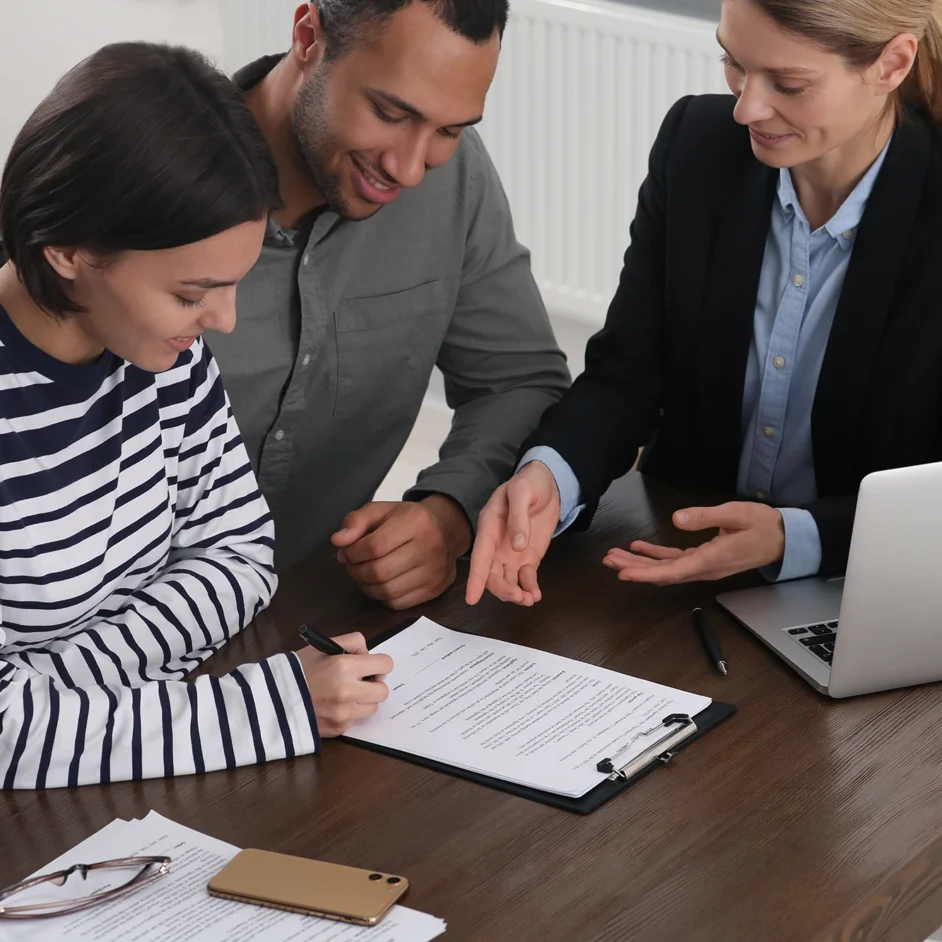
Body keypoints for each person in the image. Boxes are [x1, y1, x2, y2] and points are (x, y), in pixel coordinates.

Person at [0, 43, 391, 790]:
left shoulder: (161, 353)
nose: (224, 320)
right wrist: (272, 706)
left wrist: (49, 690)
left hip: (114, 786)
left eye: (233, 284)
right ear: (68, 251)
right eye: (191, 294)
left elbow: (242, 556)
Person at [466, 0, 942, 606]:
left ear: (893, 64)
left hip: (876, 589)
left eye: (788, 84)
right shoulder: (697, 148)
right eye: (733, 62)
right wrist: (552, 475)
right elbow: (626, 374)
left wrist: (794, 537)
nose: (747, 108)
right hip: (677, 556)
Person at [207, 0, 571, 609]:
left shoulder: (454, 181)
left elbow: (520, 382)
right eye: (390, 112)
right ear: (308, 35)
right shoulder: (139, 179)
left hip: (316, 617)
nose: (409, 168)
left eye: (450, 130)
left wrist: (447, 513)